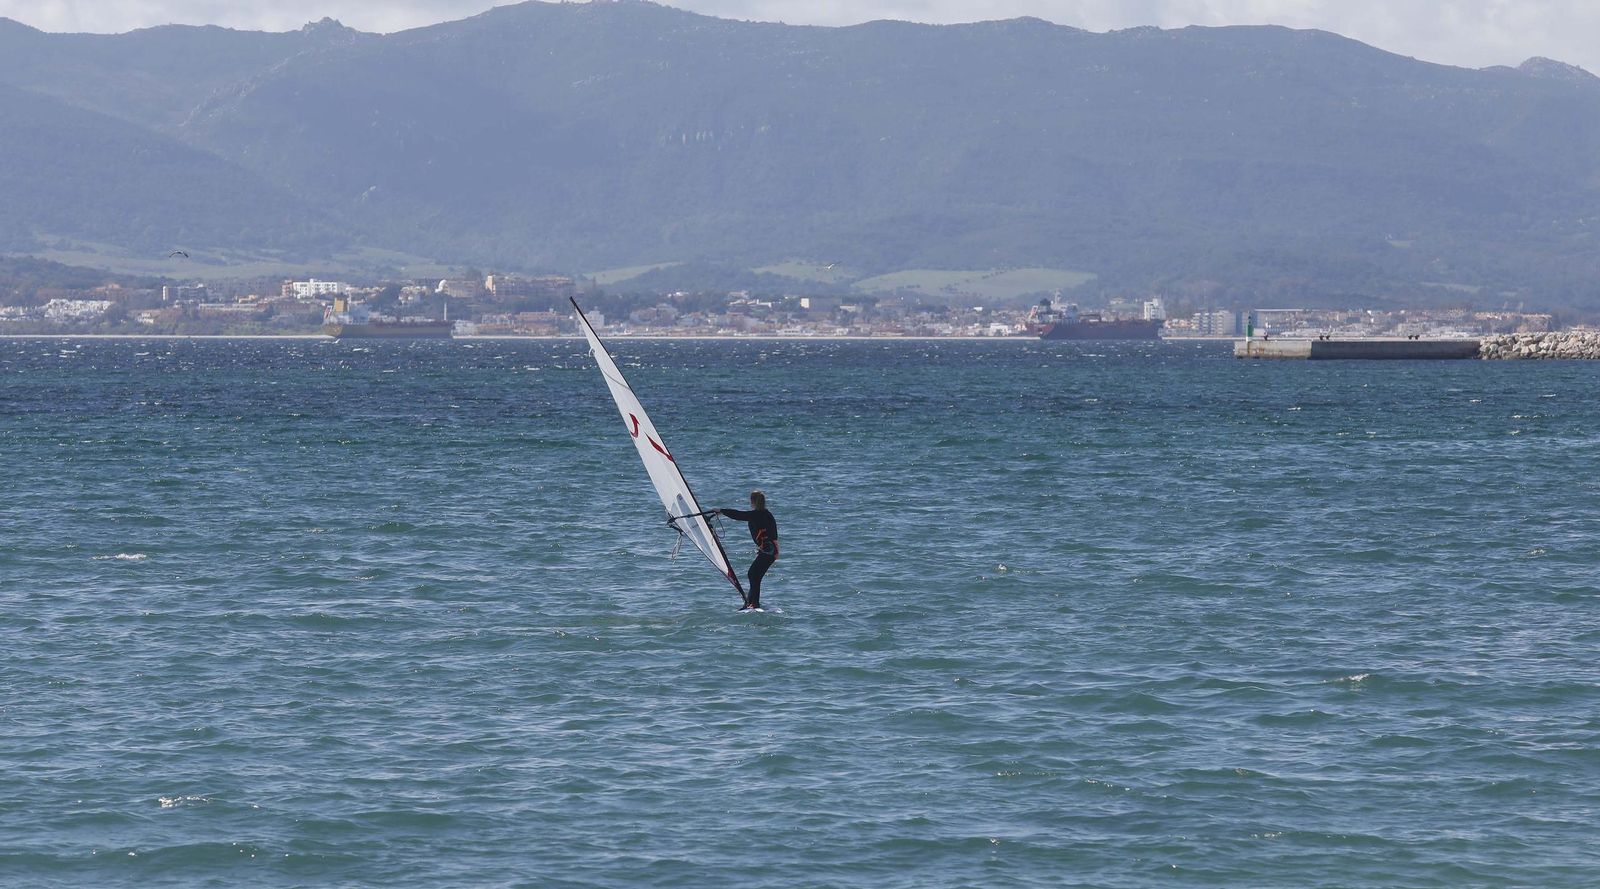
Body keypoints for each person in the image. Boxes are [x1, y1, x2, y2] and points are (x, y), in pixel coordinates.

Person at [712, 490, 779, 610]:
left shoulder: (758, 514)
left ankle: (753, 604)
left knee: (753, 574)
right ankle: (751, 603)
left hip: (769, 550)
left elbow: (739, 515)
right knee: (755, 575)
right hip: (771, 550)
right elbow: (773, 535)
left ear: (753, 501)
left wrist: (721, 511)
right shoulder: (766, 514)